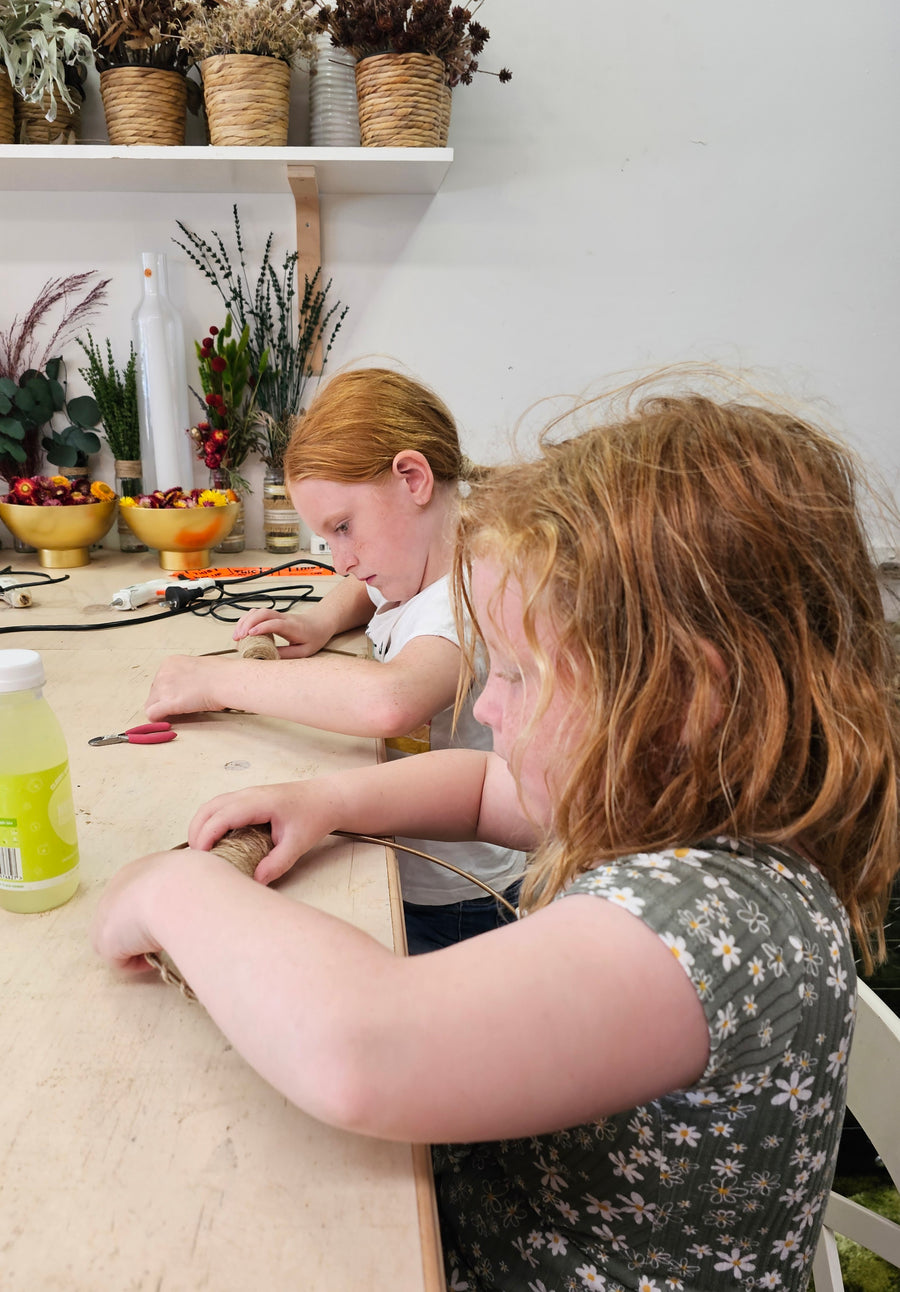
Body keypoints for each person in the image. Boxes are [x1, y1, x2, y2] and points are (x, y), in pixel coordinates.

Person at [93, 378, 900, 1291]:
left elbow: (363, 1047)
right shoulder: (673, 805)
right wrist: (328, 800)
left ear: (686, 696)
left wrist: (169, 891)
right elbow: (484, 786)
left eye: (517, 672)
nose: (485, 704)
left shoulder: (706, 920)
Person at [144, 367, 523, 953]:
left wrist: (218, 678)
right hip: (421, 867)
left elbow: (389, 700)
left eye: (344, 528)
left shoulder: (467, 598)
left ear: (412, 478)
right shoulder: (426, 555)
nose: (342, 561)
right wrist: (320, 619)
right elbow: (365, 589)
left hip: (456, 901)